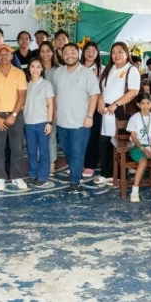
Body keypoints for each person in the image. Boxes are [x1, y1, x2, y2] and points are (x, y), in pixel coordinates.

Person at [51, 43, 100, 192]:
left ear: (78, 54)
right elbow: (54, 95)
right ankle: (75, 172)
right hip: (61, 121)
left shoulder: (87, 73)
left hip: (80, 122)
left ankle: (75, 180)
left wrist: (90, 116)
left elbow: (94, 95)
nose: (69, 55)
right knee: (67, 150)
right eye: (66, 52)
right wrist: (53, 115)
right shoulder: (58, 72)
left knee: (77, 151)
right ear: (61, 55)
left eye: (73, 52)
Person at [92, 42, 142, 185]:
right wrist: (101, 100)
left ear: (126, 54)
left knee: (120, 143)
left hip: (120, 110)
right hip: (106, 110)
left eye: (120, 52)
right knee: (105, 141)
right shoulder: (109, 69)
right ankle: (106, 173)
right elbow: (101, 87)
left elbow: (133, 92)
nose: (117, 55)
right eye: (114, 52)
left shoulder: (131, 70)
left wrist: (115, 104)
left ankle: (119, 174)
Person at [0, 44, 28, 190]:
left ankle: (17, 177)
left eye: (7, 54)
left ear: (12, 56)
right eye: (1, 54)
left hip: (15, 116)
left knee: (17, 148)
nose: (4, 56)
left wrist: (14, 115)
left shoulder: (19, 73)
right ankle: (0, 177)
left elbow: (22, 96)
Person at [22, 59, 54, 188]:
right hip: (28, 123)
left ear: (42, 69)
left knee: (44, 151)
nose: (35, 70)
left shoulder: (46, 84)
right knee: (31, 151)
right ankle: (33, 174)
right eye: (33, 67)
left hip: (42, 122)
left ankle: (43, 176)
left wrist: (49, 122)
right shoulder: (25, 85)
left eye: (38, 67)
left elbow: (51, 104)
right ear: (29, 68)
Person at [125, 93, 151, 203]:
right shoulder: (134, 118)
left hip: (150, 146)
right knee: (143, 162)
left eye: (148, 103)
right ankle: (135, 190)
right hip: (137, 147)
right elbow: (134, 138)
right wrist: (144, 149)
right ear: (138, 104)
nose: (145, 106)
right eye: (143, 103)